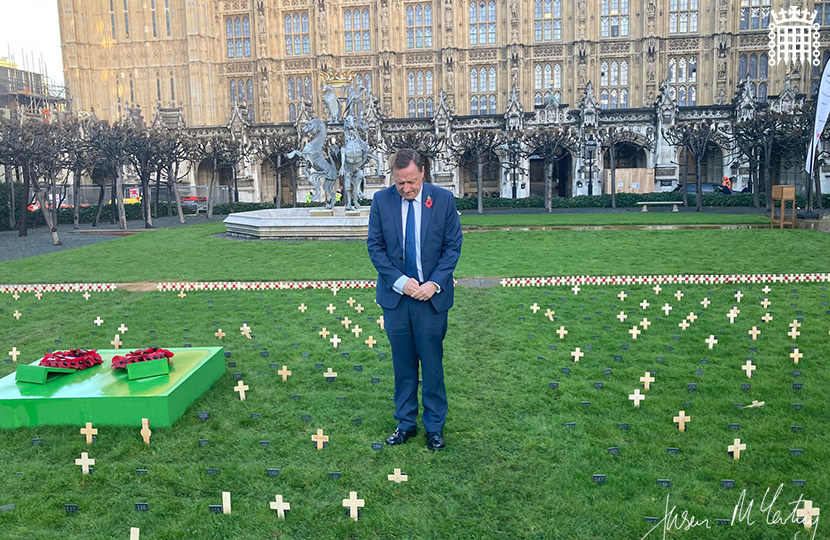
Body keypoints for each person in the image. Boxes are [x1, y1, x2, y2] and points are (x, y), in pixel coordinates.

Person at [367, 148, 463, 451]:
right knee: (403, 365)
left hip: (431, 300)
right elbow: (375, 247)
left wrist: (434, 283)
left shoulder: (443, 200)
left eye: (411, 182)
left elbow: (452, 247)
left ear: (423, 171)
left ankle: (434, 426)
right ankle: (405, 423)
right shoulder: (381, 201)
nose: (406, 189)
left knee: (432, 365)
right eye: (399, 184)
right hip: (397, 300)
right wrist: (399, 282)